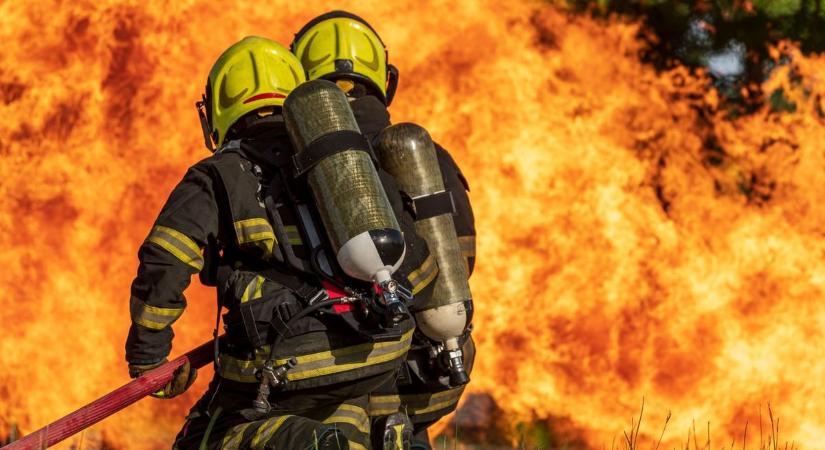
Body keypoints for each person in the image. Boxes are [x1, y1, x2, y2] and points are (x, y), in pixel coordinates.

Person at [125, 35, 437, 450]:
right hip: (379, 351)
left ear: (216, 110)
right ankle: (356, 438)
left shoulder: (217, 174)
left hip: (287, 362)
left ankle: (310, 444)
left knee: (209, 437)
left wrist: (148, 356)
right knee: (332, 400)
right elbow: (421, 271)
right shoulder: (348, 166)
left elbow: (166, 258)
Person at [291, 12, 478, 449]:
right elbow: (462, 256)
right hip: (423, 372)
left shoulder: (299, 161)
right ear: (384, 78)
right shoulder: (424, 153)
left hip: (339, 378)